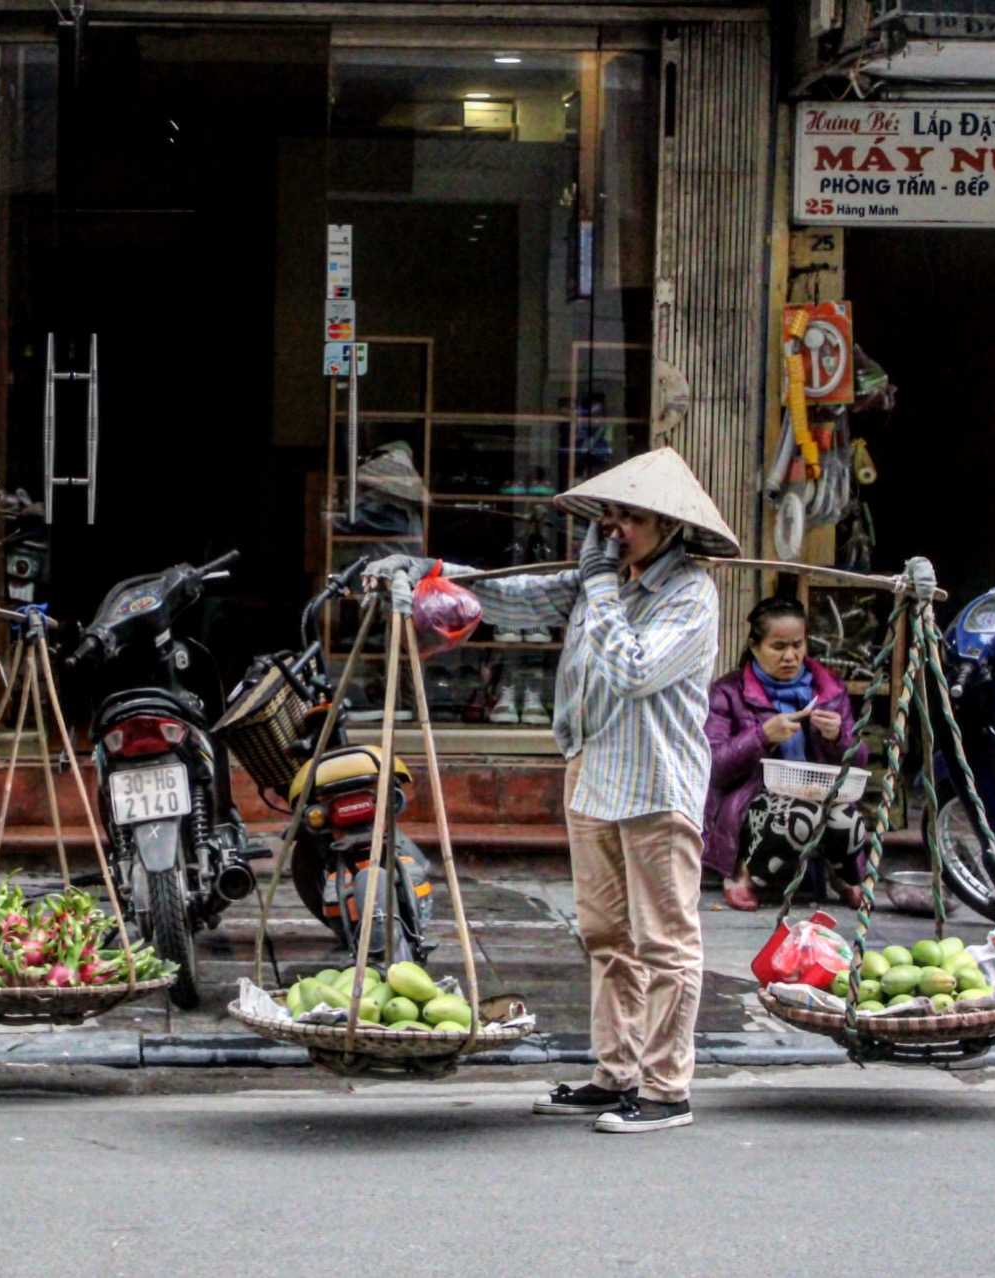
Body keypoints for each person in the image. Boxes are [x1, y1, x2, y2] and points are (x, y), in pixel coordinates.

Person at [369, 447, 734, 1134]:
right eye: (612, 515)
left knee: (665, 941)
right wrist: (429, 573)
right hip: (595, 774)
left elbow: (633, 668)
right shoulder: (608, 579)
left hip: (656, 785)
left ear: (668, 527)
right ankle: (615, 1073)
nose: (615, 528)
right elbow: (518, 593)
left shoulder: (690, 595)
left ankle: (665, 1088)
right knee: (605, 935)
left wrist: (596, 587)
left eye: (630, 518)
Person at [704, 597, 869, 913]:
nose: (790, 656)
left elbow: (859, 760)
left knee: (846, 818)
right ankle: (743, 873)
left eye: (797, 644)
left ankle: (842, 875)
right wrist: (761, 737)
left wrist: (838, 738)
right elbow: (712, 768)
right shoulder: (727, 692)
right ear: (754, 646)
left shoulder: (829, 690)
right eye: (778, 646)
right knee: (800, 816)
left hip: (818, 791)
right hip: (753, 799)